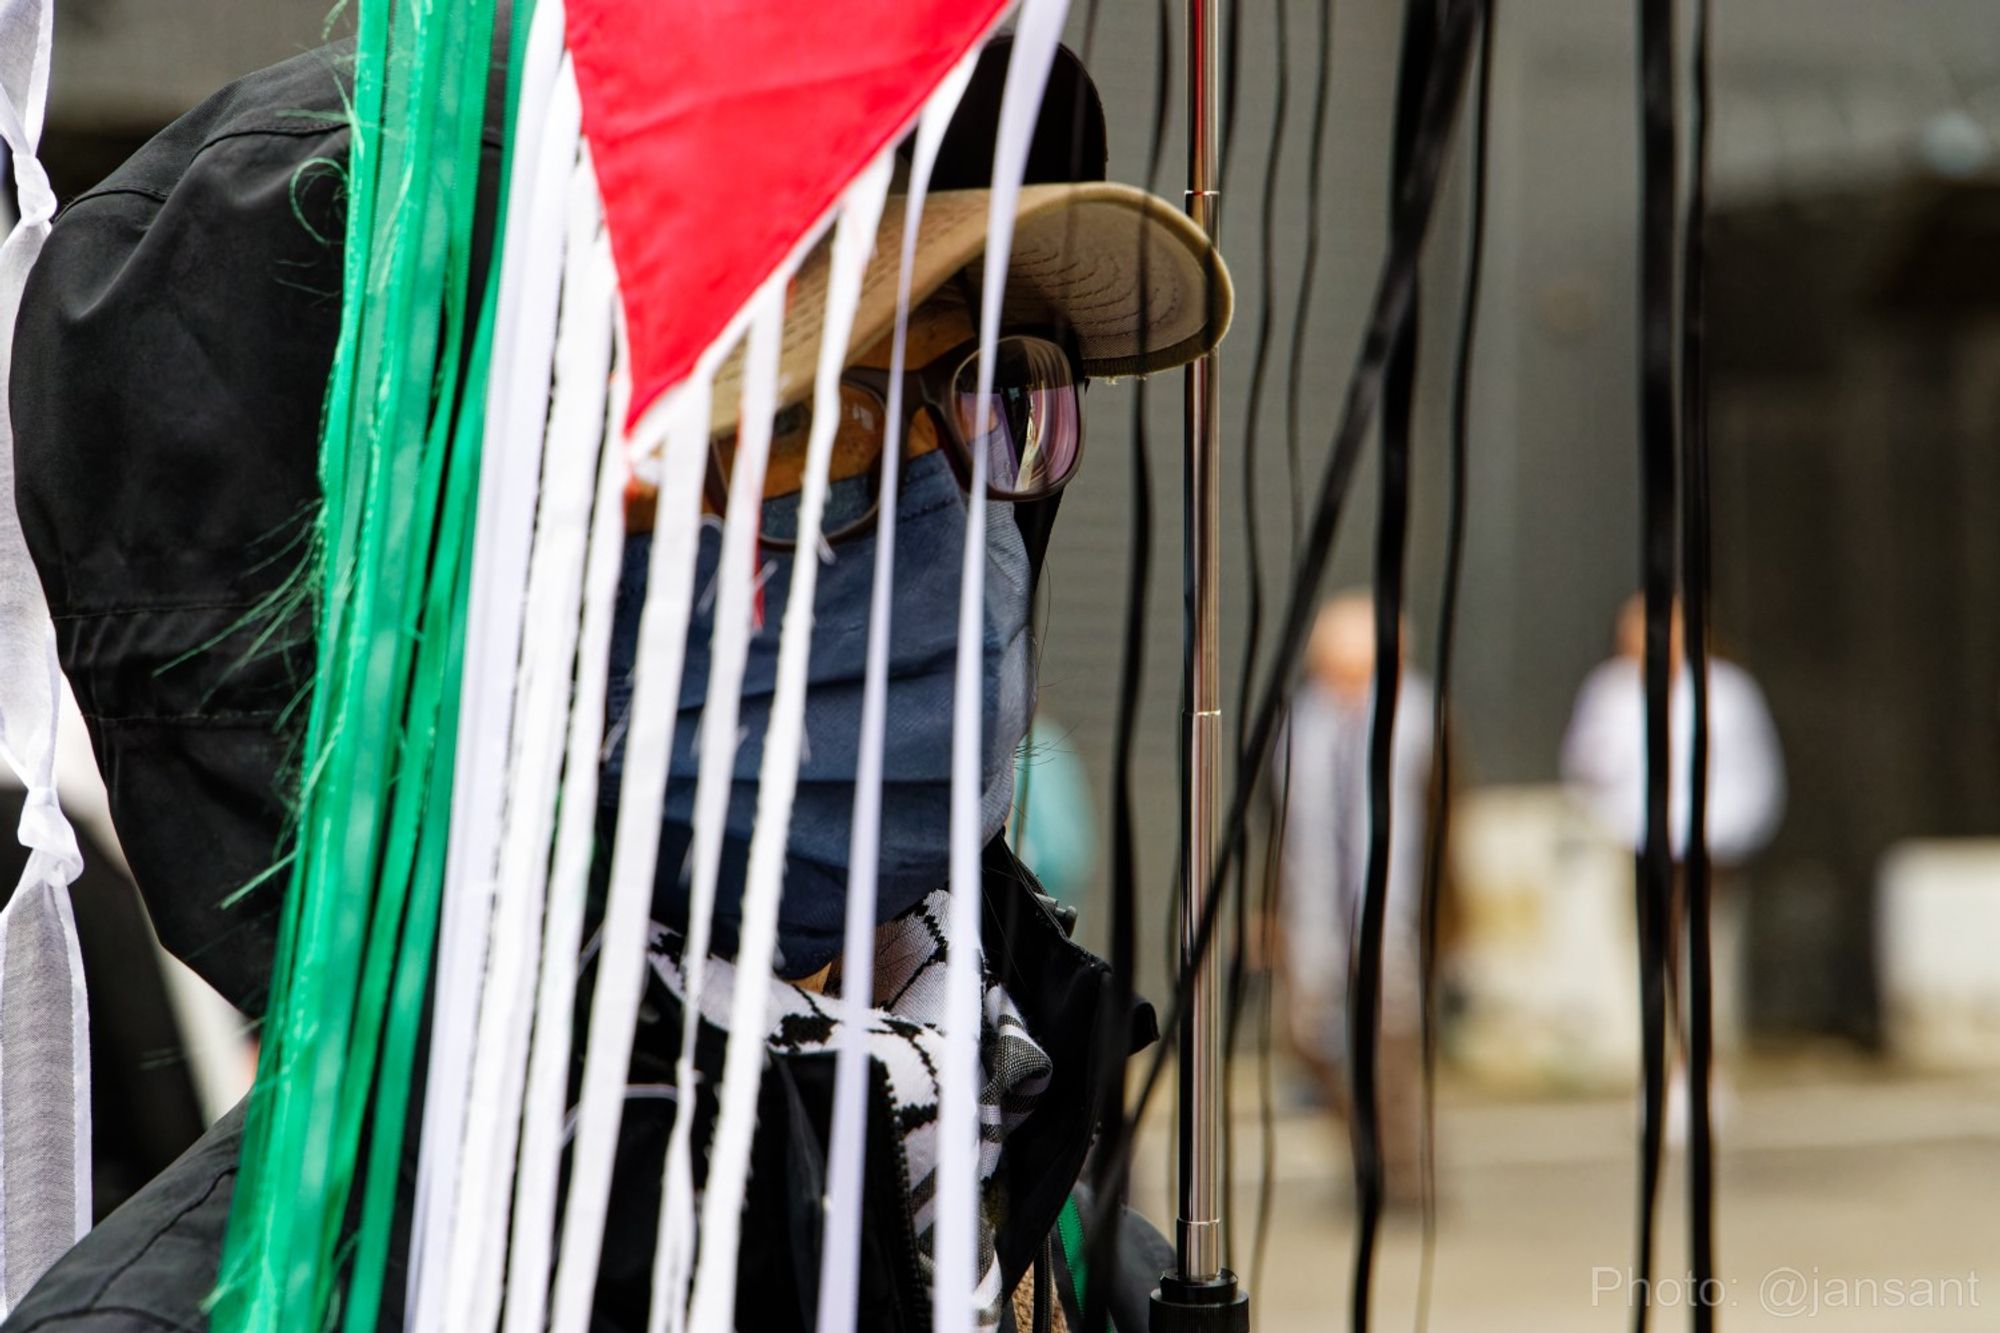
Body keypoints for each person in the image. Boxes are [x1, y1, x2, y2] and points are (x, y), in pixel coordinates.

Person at [4, 26, 1229, 1333]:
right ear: (438, 581)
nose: (942, 504)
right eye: (799, 420)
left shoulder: (1058, 1258)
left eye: (980, 383)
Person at [1560, 593, 1786, 1136]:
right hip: (1642, 839)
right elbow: (1585, 764)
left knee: (1701, 954)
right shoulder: (1611, 690)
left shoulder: (1727, 692)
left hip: (1711, 842)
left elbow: (1755, 771)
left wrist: (1733, 832)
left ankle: (1702, 1068)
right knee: (1654, 954)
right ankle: (1665, 1066)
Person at [1274, 592, 1433, 1203]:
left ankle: (1401, 1174)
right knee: (1313, 1040)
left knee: (1390, 1049)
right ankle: (1366, 1154)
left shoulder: (1419, 722)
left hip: (1395, 915)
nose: (1339, 684)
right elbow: (1277, 827)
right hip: (1314, 914)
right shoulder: (1299, 724)